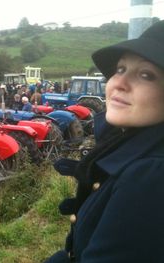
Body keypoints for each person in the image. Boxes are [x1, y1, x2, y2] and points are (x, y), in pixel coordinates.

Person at [45, 20, 164, 262]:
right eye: (120, 69)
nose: (118, 82)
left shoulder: (149, 177)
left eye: (145, 74)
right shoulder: (125, 145)